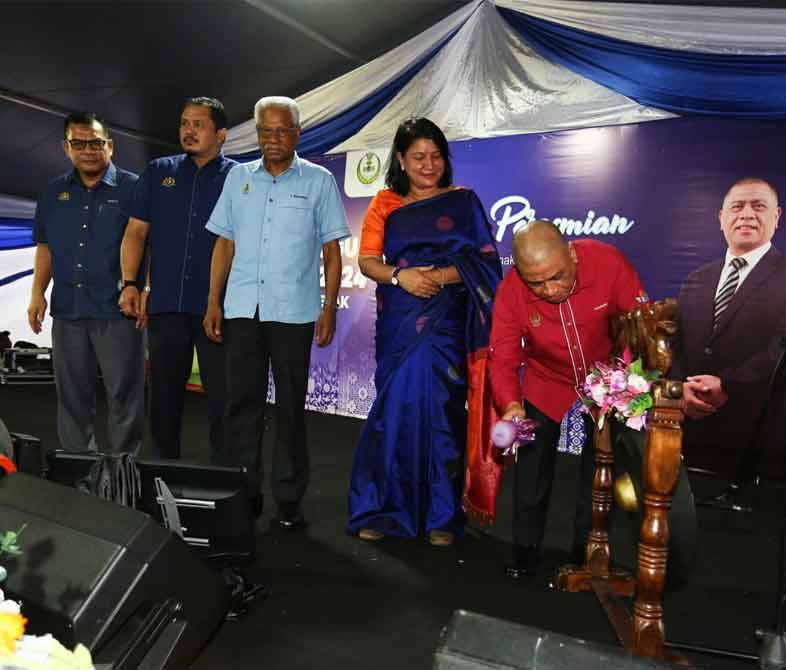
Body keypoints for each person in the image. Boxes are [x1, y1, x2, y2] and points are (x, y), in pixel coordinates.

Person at [345, 118, 502, 547]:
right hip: (401, 315)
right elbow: (368, 262)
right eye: (418, 157)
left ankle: (440, 514)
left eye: (435, 156)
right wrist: (403, 277)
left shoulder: (463, 202)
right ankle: (379, 506)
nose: (428, 165)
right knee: (393, 408)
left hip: (446, 320)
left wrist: (445, 275)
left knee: (443, 410)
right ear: (401, 159)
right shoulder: (384, 203)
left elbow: (486, 262)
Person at [204, 96, 350, 529]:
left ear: (297, 134)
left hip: (294, 313)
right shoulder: (237, 180)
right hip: (242, 310)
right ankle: (242, 496)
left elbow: (332, 251)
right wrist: (214, 301)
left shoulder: (319, 181)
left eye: (282, 131)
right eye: (265, 131)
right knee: (241, 406)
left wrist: (328, 308)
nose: (273, 139)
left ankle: (288, 499)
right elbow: (223, 243)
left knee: (289, 408)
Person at [488, 220, 650, 578]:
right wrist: (512, 405)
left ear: (572, 254)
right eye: (537, 283)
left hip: (608, 378)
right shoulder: (511, 290)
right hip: (546, 380)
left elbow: (641, 328)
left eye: (557, 276)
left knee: (601, 469)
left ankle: (586, 554)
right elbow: (503, 358)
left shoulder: (608, 262)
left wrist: (628, 381)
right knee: (531, 466)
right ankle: (525, 554)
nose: (549, 289)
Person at [672, 177, 786, 487]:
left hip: (754, 441)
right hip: (689, 436)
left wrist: (728, 385)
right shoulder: (696, 278)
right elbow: (678, 345)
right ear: (721, 218)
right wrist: (679, 390)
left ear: (776, 217)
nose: (747, 214)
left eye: (759, 206)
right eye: (737, 207)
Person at [120, 97, 237, 461]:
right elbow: (136, 232)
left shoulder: (240, 178)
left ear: (221, 134)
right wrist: (130, 283)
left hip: (219, 308)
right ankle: (161, 477)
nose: (188, 130)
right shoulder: (158, 172)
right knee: (164, 400)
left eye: (198, 124)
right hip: (166, 304)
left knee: (224, 400)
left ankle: (225, 481)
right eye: (184, 123)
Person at [27, 112, 143, 454]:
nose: (88, 150)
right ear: (66, 148)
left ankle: (124, 474)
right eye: (79, 143)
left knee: (124, 395)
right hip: (67, 311)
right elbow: (45, 246)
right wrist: (37, 294)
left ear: (110, 146)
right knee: (72, 397)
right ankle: (81, 474)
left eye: (95, 143)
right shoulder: (53, 192)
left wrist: (143, 288)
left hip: (118, 311)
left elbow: (148, 244)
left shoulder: (134, 188)